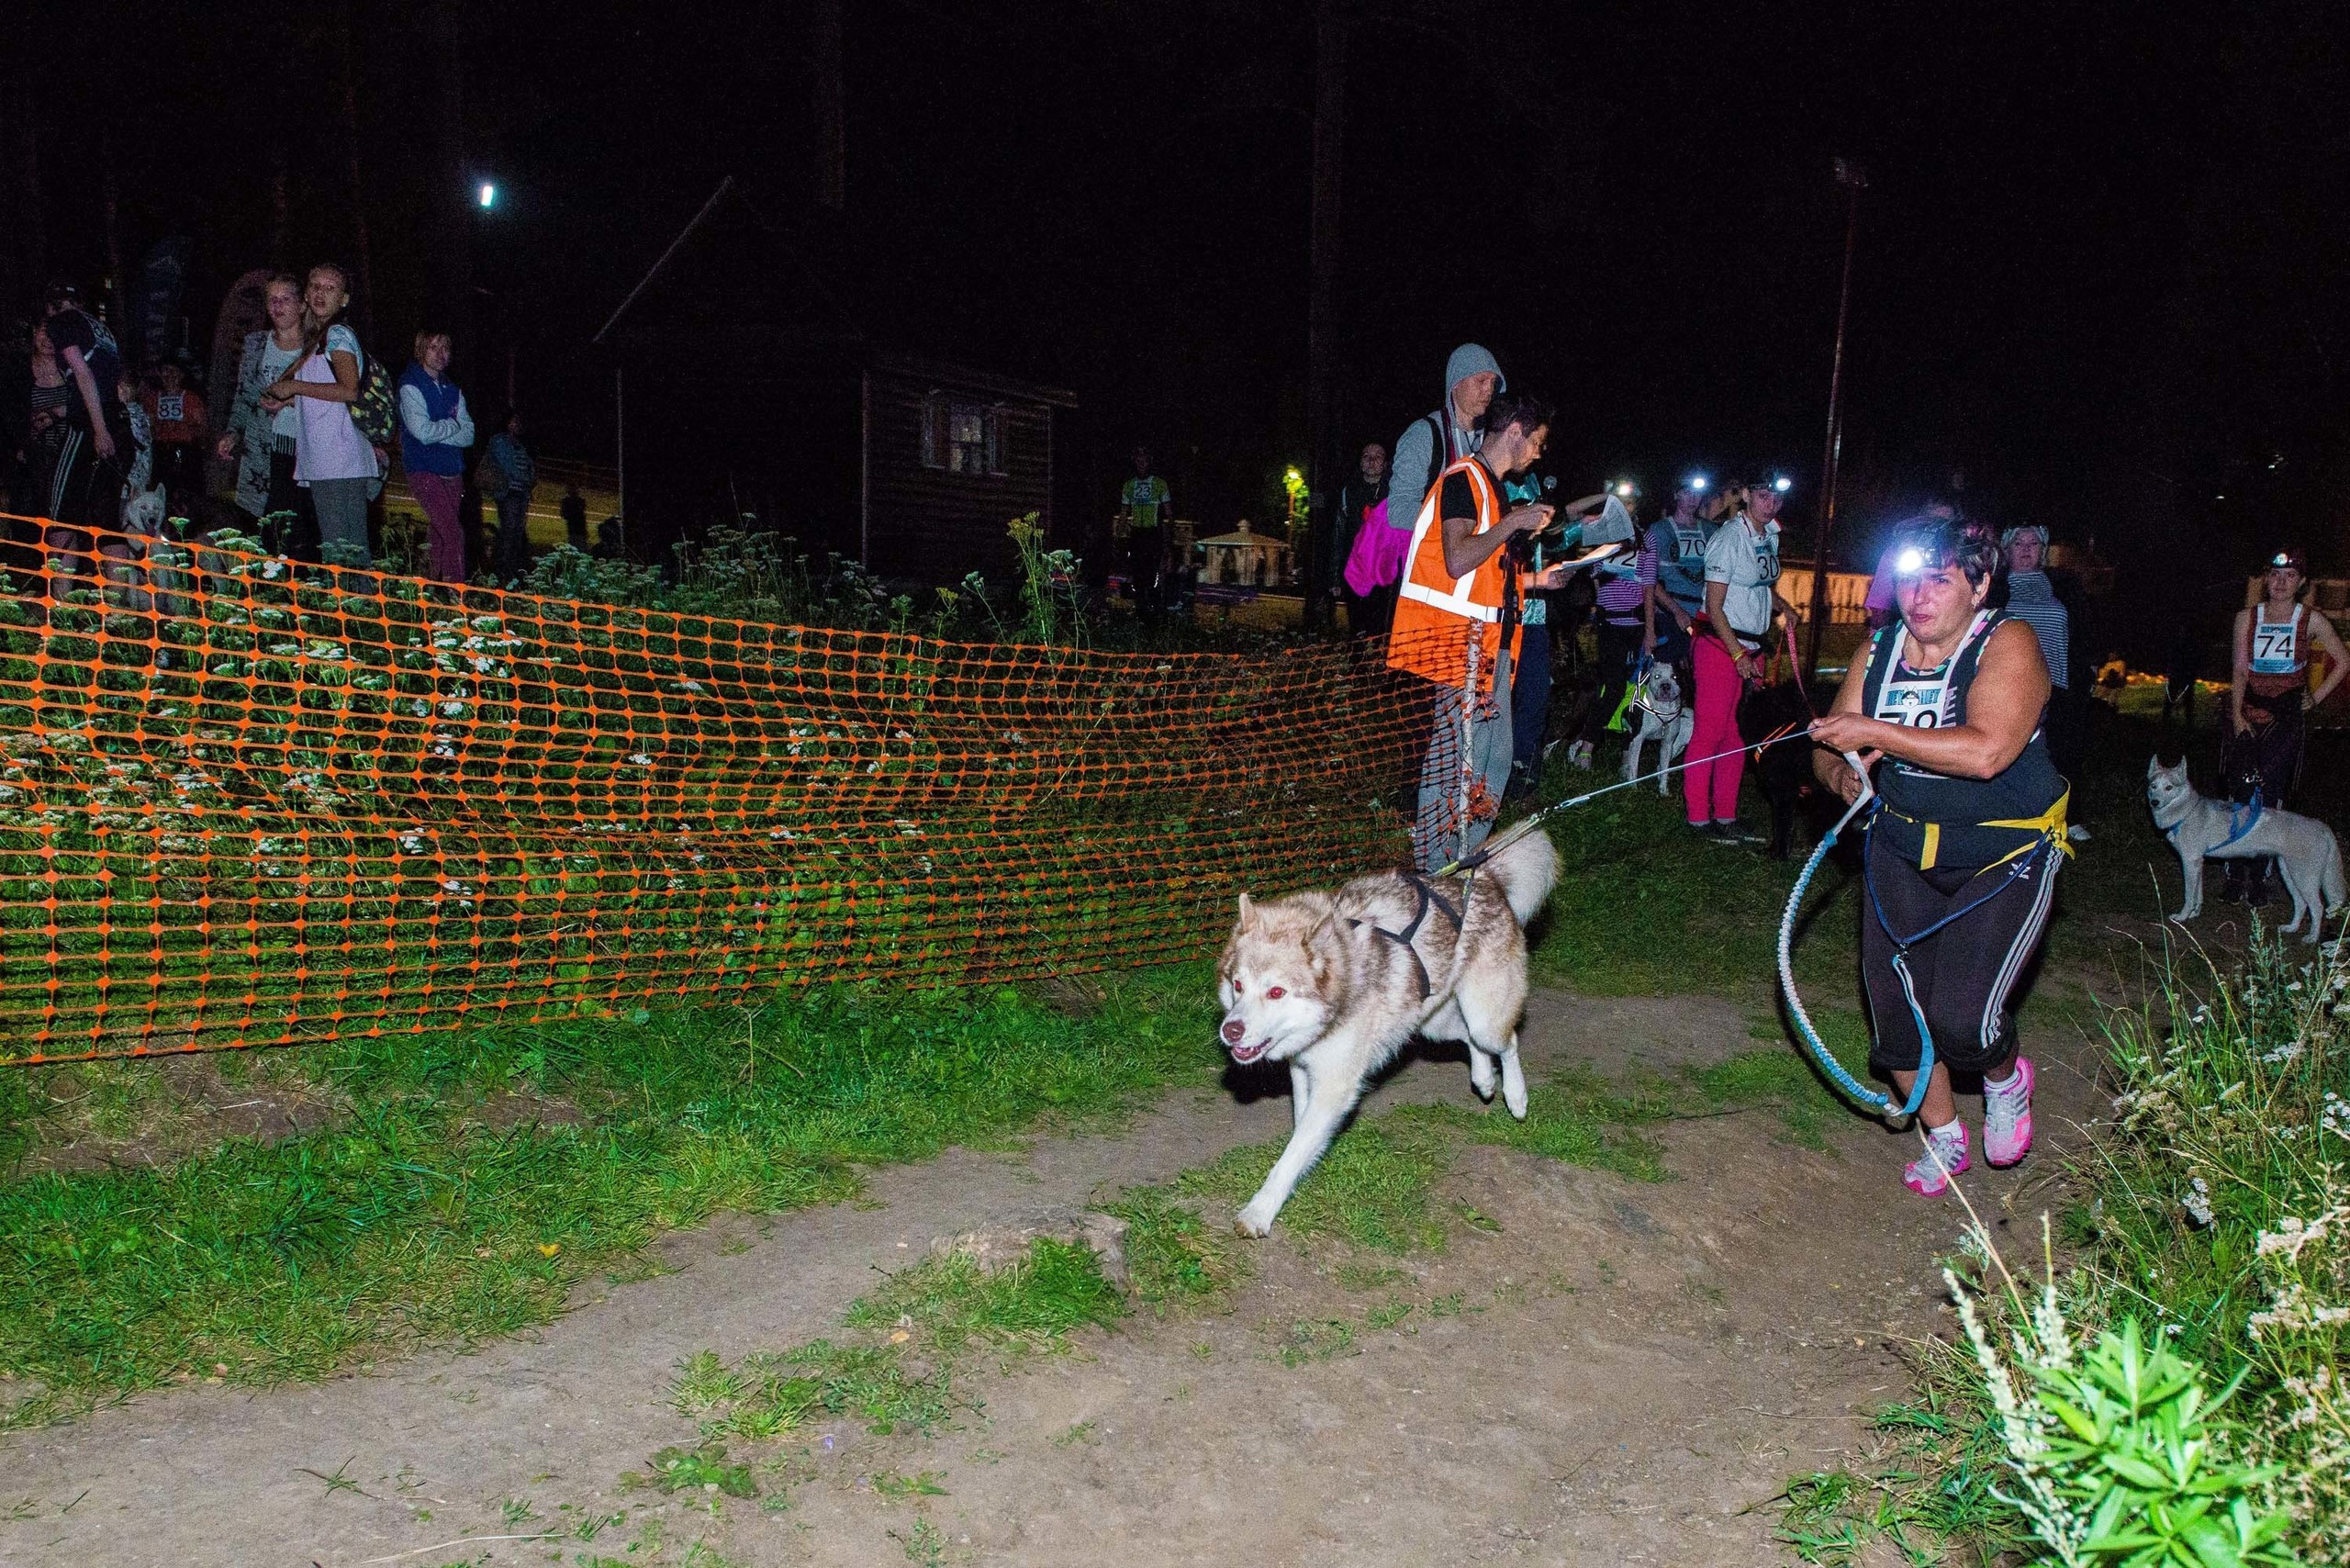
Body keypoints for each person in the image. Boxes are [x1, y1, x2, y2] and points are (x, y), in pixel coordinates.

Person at [1809, 515, 2068, 1198]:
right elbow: (1829, 748)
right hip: (1898, 846)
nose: (1918, 596)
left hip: (2002, 855)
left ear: (1980, 585)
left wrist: (1874, 731)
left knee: (1962, 1019)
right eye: (1906, 580)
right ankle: (1945, 1135)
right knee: (1893, 1017)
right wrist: (1843, 776)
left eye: (1939, 579)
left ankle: (2006, 1075)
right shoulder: (1879, 650)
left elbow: (1986, 751)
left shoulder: (2009, 642)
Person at [1388, 393, 1572, 871]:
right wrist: (1513, 522)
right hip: (1459, 646)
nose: (1539, 452)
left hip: (1488, 646)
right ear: (1515, 431)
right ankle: (1435, 866)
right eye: (1537, 441)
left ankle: (1459, 858)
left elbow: (1483, 573)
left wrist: (1538, 580)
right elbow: (1458, 558)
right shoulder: (1463, 480)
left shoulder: (1490, 487)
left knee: (1491, 758)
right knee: (1453, 760)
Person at [2223, 548, 2349, 905]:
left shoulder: (2311, 619)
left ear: (2302, 582)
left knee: (2271, 793)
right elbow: (2239, 669)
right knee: (2239, 789)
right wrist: (2237, 715)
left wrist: (2317, 697)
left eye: (2290, 576)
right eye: (2275, 575)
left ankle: (2261, 875)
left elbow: (2343, 660)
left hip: (2287, 715)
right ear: (2266, 579)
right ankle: (2235, 872)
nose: (2280, 582)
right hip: (2249, 709)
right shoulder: (2246, 617)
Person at [1686, 476, 1800, 840]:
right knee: (1710, 731)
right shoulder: (1728, 538)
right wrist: (1736, 652)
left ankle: (1727, 815)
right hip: (1721, 645)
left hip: (1754, 645)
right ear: (1748, 495)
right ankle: (1698, 818)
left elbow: (1759, 583)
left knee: (1739, 735)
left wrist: (1782, 606)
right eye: (1764, 496)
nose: (1771, 503)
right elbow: (1715, 606)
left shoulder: (1770, 534)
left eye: (1777, 498)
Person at [265, 263, 378, 572]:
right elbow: (324, 401)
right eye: (315, 286)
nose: (319, 293)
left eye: (330, 288)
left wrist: (294, 386)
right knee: (344, 552)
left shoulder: (338, 335)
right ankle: (354, 615)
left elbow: (348, 390)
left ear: (343, 299)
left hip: (338, 461)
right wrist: (288, 402)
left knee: (343, 555)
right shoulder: (319, 338)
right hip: (326, 462)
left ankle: (350, 616)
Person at [216, 273, 316, 554]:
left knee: (302, 530)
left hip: (305, 448)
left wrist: (289, 401)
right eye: (272, 300)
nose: (278, 306)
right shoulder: (255, 344)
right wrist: (233, 433)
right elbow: (244, 394)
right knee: (266, 527)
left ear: (302, 305)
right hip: (263, 450)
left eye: (285, 299)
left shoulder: (317, 346)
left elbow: (331, 396)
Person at [1568, 490, 1655, 771]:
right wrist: (1604, 496)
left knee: (1638, 692)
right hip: (1609, 625)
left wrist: (1651, 630)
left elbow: (1649, 588)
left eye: (1627, 503)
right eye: (1616, 503)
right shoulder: (1602, 534)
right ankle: (1586, 747)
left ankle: (1629, 756)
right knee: (1614, 688)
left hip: (1637, 624)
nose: (1621, 508)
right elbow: (1570, 513)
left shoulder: (1645, 539)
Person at [38, 286, 134, 534]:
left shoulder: (61, 322)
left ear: (52, 307)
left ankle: (61, 572)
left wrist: (99, 429)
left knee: (62, 516)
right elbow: (113, 379)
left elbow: (83, 374)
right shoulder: (100, 328)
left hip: (89, 426)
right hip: (118, 422)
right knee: (107, 519)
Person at [1388, 343, 1503, 545]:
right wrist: (1456, 523)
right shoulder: (1423, 435)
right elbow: (1398, 511)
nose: (1489, 390)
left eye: (1493, 383)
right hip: (1428, 569)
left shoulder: (1489, 439)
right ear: (1456, 383)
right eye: (1481, 380)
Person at [397, 330, 475, 581]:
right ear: (421, 350)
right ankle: (456, 593)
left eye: (445, 348)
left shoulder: (453, 390)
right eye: (434, 347)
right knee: (454, 533)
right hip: (424, 469)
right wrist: (452, 426)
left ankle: (428, 588)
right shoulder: (411, 385)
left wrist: (442, 429)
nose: (441, 354)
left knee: (439, 535)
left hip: (452, 471)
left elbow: (469, 435)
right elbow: (422, 432)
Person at [1645, 475, 1713, 676]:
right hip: (1670, 614)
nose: (1693, 498)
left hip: (1704, 614)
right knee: (1667, 676)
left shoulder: (1710, 530)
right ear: (1676, 495)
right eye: (1687, 493)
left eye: (1697, 493)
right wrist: (1676, 611)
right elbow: (1649, 580)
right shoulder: (1658, 530)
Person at [141, 359, 209, 519]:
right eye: (166, 371)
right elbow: (147, 425)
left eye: (174, 372)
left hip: (185, 450)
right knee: (162, 489)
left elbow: (202, 426)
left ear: (181, 376)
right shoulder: (152, 398)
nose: (169, 376)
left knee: (187, 492)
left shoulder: (191, 398)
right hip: (160, 449)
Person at [1336, 442, 1392, 634]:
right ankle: (1356, 662)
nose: (1371, 461)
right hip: (1355, 567)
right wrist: (1335, 575)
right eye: (1366, 456)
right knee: (1356, 625)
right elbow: (1340, 533)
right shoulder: (1349, 491)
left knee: (1377, 625)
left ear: (1385, 463)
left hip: (1382, 571)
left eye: (1377, 457)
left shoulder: (1394, 493)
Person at [1116, 446, 1173, 618]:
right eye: (1138, 461)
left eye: (1144, 460)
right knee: (1137, 570)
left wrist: (1168, 538)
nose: (1141, 464)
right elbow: (1124, 513)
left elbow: (1169, 513)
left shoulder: (1160, 484)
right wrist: (1119, 536)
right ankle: (1140, 607)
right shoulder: (1128, 485)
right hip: (1137, 533)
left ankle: (1157, 606)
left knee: (1153, 570)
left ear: (1149, 462)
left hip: (1153, 532)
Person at [483, 408, 537, 582]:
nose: (518, 424)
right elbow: (508, 466)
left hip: (521, 492)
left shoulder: (519, 444)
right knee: (509, 528)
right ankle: (503, 566)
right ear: (506, 422)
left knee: (516, 530)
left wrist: (530, 478)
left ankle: (512, 566)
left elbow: (528, 465)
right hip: (509, 492)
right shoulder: (500, 441)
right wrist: (526, 478)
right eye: (514, 420)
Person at [560, 484, 588, 551]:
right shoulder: (581, 501)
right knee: (580, 541)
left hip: (573, 525)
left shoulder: (566, 501)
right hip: (579, 525)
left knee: (574, 540)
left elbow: (563, 514)